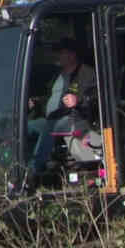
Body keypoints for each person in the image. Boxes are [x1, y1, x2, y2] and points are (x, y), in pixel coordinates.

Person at [26, 37, 97, 178]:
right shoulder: (59, 75)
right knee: (26, 126)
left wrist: (78, 100)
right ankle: (18, 164)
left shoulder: (86, 73)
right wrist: (37, 102)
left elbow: (95, 95)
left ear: (72, 55)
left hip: (76, 118)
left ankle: (33, 169)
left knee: (52, 127)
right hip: (51, 119)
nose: (57, 56)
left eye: (61, 53)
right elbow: (50, 97)